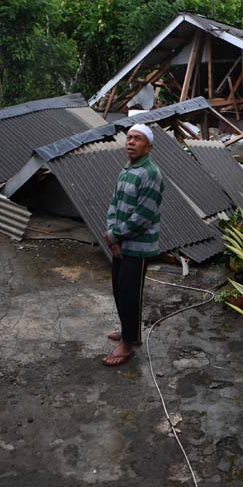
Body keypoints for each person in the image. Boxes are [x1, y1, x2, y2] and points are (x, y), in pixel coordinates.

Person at [103, 123, 164, 367]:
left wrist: (115, 236)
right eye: (129, 138)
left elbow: (142, 217)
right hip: (121, 243)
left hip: (138, 246)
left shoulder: (151, 174)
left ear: (148, 147)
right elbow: (114, 203)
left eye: (137, 139)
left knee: (130, 294)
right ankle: (129, 331)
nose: (130, 142)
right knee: (119, 289)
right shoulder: (127, 168)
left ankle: (127, 345)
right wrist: (112, 235)